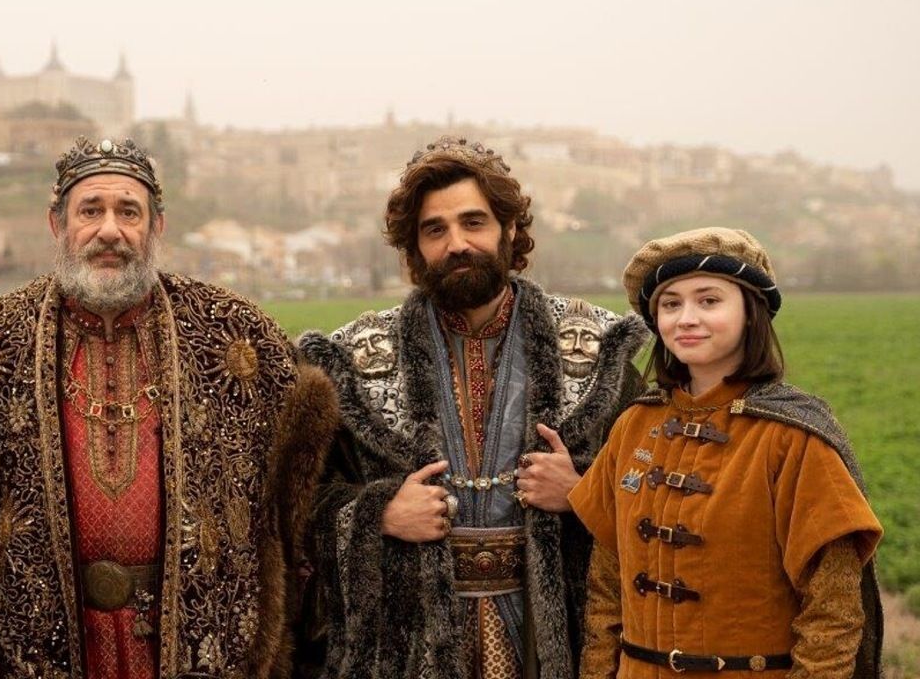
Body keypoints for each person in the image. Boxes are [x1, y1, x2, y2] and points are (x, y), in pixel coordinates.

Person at [0, 136, 337, 678]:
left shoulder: (236, 336)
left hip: (203, 644)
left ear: (156, 227)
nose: (109, 230)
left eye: (128, 212)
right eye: (91, 211)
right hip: (38, 648)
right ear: (57, 225)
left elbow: (295, 509)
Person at [296, 136, 648, 678]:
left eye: (473, 222)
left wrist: (583, 492)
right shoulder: (352, 360)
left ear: (510, 228)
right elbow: (299, 505)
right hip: (409, 646)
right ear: (414, 248)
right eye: (434, 230)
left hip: (555, 640)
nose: (456, 243)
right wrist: (378, 513)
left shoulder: (595, 347)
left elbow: (657, 492)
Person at [569, 227, 884, 677]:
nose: (686, 318)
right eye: (670, 304)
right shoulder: (633, 426)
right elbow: (605, 587)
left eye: (709, 300)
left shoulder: (793, 438)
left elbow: (832, 613)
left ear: (751, 313)